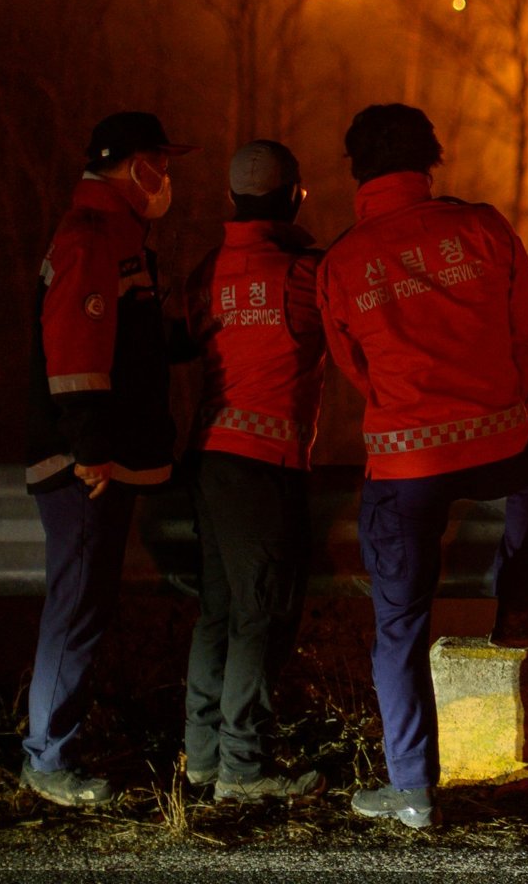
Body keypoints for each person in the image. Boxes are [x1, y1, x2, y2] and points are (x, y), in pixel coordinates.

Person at [317, 103, 528, 831]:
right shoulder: (480, 226)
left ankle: (413, 790)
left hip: (405, 463)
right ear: (431, 161)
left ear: (357, 172)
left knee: (399, 626)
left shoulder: (340, 262)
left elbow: (351, 367)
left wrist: (409, 415)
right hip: (498, 441)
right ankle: (517, 603)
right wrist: (509, 406)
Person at [21, 111, 195, 806]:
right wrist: (91, 452)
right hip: (84, 468)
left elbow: (130, 343)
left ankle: (51, 753)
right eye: (160, 162)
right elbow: (77, 355)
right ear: (134, 167)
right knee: (75, 610)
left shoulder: (115, 235)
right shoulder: (93, 237)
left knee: (82, 608)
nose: (167, 178)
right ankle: (48, 761)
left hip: (98, 462)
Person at [180, 140, 327, 802]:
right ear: (295, 195)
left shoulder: (206, 272)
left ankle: (204, 756)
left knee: (218, 610)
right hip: (265, 466)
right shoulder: (303, 278)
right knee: (261, 613)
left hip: (210, 460)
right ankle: (243, 766)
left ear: (232, 200)